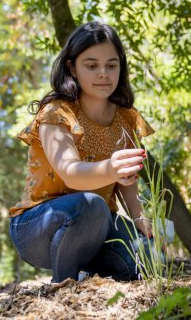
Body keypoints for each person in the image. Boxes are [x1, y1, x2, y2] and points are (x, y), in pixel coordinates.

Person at [9, 21, 155, 283]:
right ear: (71, 68)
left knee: (140, 260)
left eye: (112, 65)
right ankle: (63, 286)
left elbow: (126, 180)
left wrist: (141, 219)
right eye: (91, 65)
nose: (103, 73)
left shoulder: (127, 118)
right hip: (37, 226)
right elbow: (71, 174)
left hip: (99, 224)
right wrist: (111, 168)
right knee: (91, 205)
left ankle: (88, 273)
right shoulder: (57, 112)